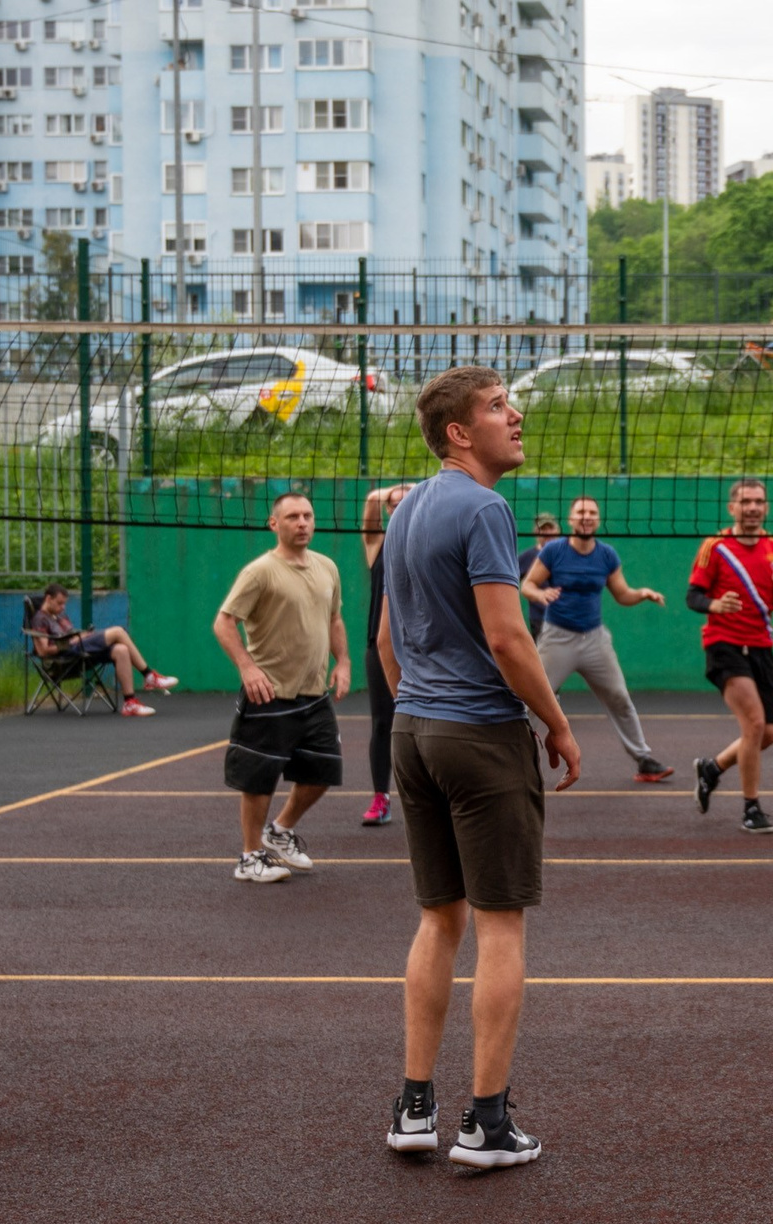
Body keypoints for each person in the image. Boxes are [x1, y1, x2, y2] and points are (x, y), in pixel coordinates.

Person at [376, 366, 582, 1171]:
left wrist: (420, 714)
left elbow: (389, 644)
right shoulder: (486, 507)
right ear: (460, 432)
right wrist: (556, 725)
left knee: (438, 918)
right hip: (478, 734)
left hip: (415, 731)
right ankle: (487, 1125)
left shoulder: (407, 510)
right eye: (499, 406)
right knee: (500, 923)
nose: (516, 414)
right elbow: (507, 638)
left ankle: (415, 1108)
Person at [213, 491, 350, 883]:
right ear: (275, 524)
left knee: (324, 771)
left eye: (308, 515)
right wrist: (247, 668)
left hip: (314, 692)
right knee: (258, 778)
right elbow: (224, 623)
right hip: (268, 692)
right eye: (292, 517)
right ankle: (249, 856)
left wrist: (343, 662)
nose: (302, 522)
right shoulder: (260, 572)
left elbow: (335, 619)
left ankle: (280, 831)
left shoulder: (327, 567)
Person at [520, 495, 673, 783]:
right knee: (532, 700)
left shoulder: (607, 555)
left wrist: (642, 594)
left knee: (619, 698)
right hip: (557, 639)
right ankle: (512, 758)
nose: (586, 516)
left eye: (591, 512)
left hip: (594, 640)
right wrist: (540, 594)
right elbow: (527, 585)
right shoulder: (554, 551)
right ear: (571, 519)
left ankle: (644, 759)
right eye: (581, 512)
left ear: (598, 519)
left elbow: (622, 594)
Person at [689, 480, 773, 834]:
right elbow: (693, 596)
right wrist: (716, 604)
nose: (752, 507)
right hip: (724, 644)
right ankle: (751, 808)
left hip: (762, 646)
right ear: (731, 508)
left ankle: (712, 769)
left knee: (769, 733)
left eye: (758, 502)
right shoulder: (716, 546)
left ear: (766, 507)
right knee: (752, 724)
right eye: (745, 501)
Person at [33, 582, 178, 715]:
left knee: (121, 650)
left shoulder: (59, 616)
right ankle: (149, 676)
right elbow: (43, 651)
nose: (63, 607)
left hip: (81, 648)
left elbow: (71, 634)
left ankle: (130, 703)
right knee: (118, 632)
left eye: (64, 604)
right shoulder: (40, 619)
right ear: (48, 598)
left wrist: (83, 636)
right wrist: (72, 642)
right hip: (67, 655)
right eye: (59, 603)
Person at [358, 483, 414, 827]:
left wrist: (417, 493)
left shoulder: (427, 539)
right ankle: (381, 797)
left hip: (422, 646)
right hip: (379, 646)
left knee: (427, 721)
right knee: (383, 722)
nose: (400, 506)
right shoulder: (377, 545)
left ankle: (428, 794)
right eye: (395, 504)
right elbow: (370, 502)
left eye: (409, 501)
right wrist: (393, 492)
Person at [516, 513, 557, 639]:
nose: (547, 532)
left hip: (565, 619)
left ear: (557, 530)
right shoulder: (527, 557)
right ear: (536, 532)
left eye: (550, 528)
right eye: (543, 529)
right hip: (539, 620)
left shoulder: (566, 553)